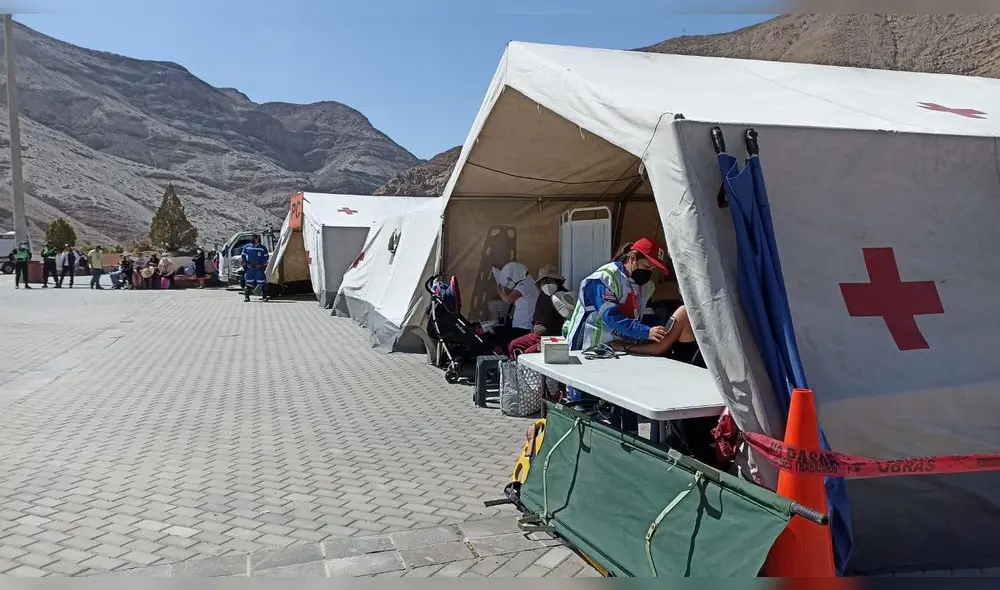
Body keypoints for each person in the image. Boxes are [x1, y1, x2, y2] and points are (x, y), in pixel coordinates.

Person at [562, 238, 672, 432]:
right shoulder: (604, 278)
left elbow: (641, 314)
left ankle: (628, 443)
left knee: (623, 402)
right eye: (647, 266)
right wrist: (646, 332)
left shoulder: (646, 285)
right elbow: (610, 317)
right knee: (587, 407)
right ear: (632, 258)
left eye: (652, 270)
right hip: (588, 349)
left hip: (618, 349)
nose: (648, 273)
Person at [508, 265, 569, 358]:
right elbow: (536, 316)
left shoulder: (564, 296)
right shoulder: (542, 295)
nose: (546, 284)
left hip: (552, 338)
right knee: (513, 345)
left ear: (557, 281)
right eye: (543, 282)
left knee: (528, 354)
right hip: (535, 336)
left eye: (549, 280)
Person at [490, 261, 539, 351]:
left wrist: (498, 289)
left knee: (495, 335)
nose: (509, 281)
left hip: (523, 327)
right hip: (521, 325)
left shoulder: (525, 285)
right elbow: (510, 287)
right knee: (496, 331)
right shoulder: (528, 283)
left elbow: (508, 299)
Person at [241, 234, 269, 302]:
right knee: (249, 282)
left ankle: (264, 297)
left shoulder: (262, 248)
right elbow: (243, 256)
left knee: (261, 282)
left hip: (259, 268)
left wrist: (261, 264)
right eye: (252, 239)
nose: (253, 241)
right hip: (250, 268)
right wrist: (247, 264)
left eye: (254, 239)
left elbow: (266, 257)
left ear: (257, 239)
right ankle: (247, 297)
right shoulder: (247, 247)